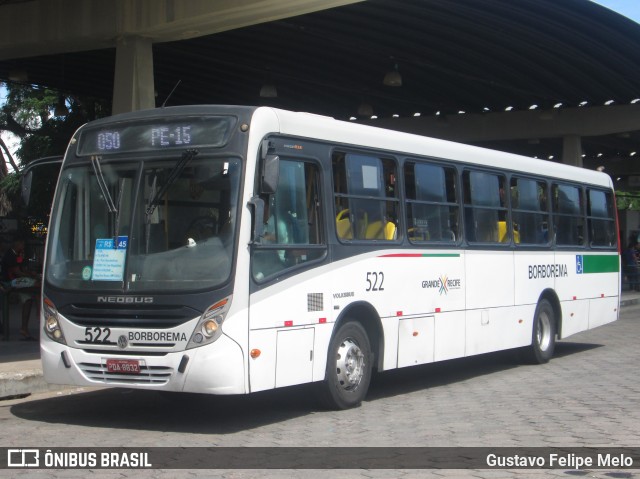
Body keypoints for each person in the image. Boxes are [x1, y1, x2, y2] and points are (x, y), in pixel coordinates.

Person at [1, 239, 40, 340]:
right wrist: (31, 276)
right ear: (17, 243)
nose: (23, 246)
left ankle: (24, 328)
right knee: (37, 284)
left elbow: (22, 269)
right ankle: (39, 311)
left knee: (27, 299)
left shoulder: (18, 254)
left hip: (16, 279)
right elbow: (18, 272)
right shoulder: (10, 255)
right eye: (22, 243)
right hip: (10, 281)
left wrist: (30, 273)